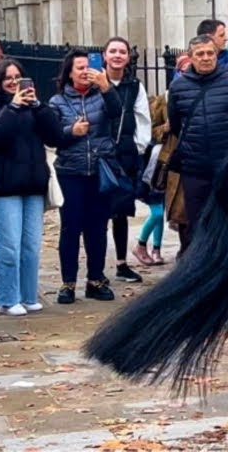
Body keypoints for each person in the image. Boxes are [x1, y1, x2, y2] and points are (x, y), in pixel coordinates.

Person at [0, 60, 61, 316]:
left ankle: (28, 295)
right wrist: (13, 107)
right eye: (8, 78)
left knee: (30, 247)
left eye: (18, 77)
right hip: (5, 187)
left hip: (33, 185)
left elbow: (55, 135)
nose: (14, 82)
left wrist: (38, 106)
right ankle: (6, 298)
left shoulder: (36, 109)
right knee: (9, 247)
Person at [165, 34, 228, 254]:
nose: (206, 58)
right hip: (194, 168)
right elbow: (177, 125)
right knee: (198, 224)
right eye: (200, 54)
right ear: (191, 57)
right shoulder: (178, 88)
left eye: (210, 53)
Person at [47, 49, 123, 304]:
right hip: (71, 172)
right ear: (69, 73)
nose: (85, 72)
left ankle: (95, 279)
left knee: (97, 228)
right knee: (70, 228)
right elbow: (52, 136)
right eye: (79, 68)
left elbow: (117, 112)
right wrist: (71, 131)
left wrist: (106, 87)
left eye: (88, 67)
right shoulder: (58, 102)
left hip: (99, 171)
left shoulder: (102, 95)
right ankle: (68, 282)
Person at [101, 37, 150, 284]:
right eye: (113, 51)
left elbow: (143, 118)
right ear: (105, 56)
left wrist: (137, 146)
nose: (118, 55)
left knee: (121, 212)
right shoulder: (96, 82)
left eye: (122, 51)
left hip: (125, 155)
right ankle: (96, 267)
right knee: (99, 213)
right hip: (101, 155)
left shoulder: (134, 86)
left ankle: (121, 263)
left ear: (128, 57)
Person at [132, 93, 168, 266]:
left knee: (160, 214)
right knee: (157, 213)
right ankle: (141, 243)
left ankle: (156, 249)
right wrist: (164, 129)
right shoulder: (150, 140)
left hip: (165, 173)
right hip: (152, 177)